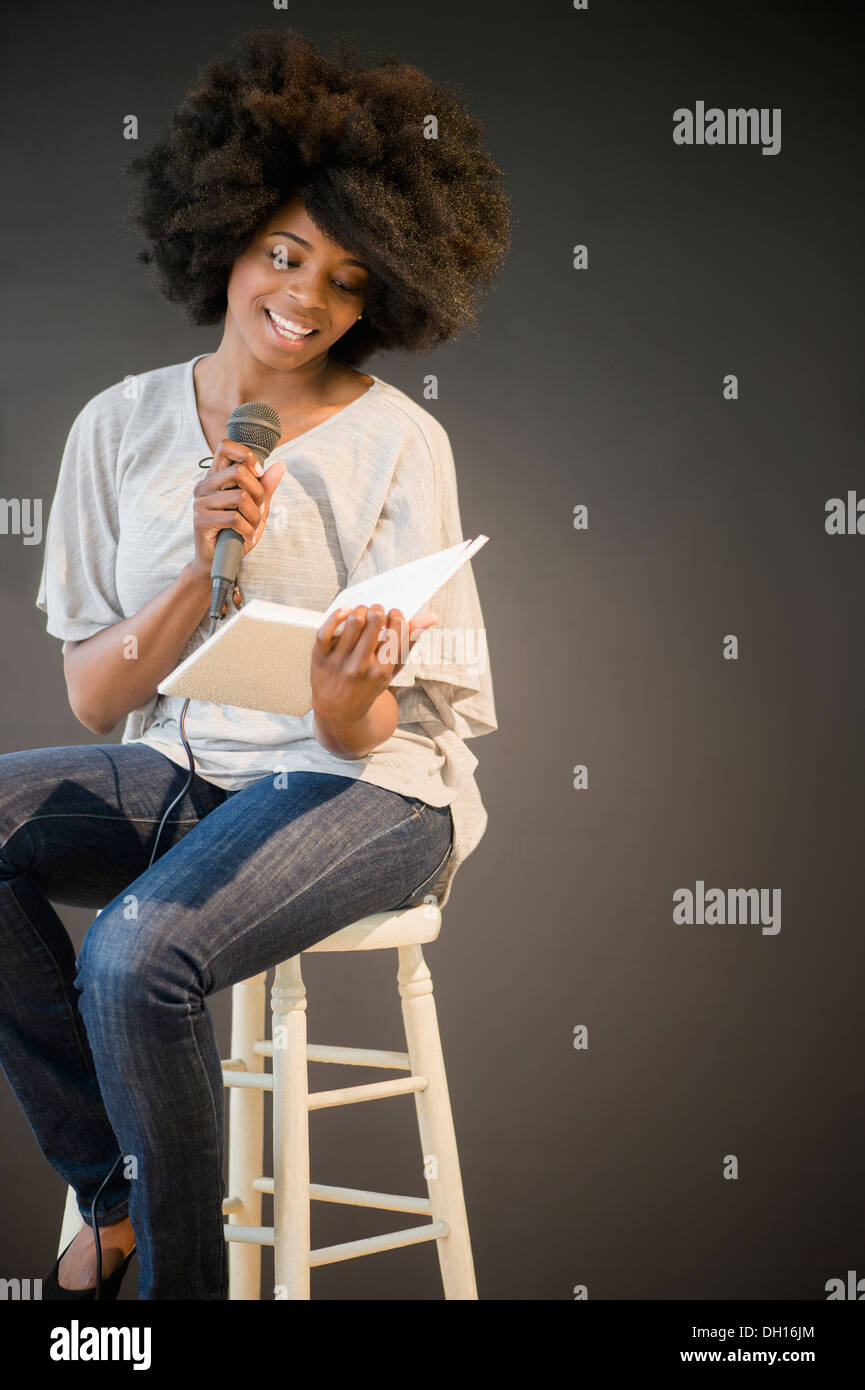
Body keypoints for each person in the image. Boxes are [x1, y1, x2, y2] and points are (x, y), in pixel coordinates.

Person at [0, 27, 509, 1300]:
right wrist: (194, 569)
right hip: (193, 767)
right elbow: (99, 698)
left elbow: (376, 727)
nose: (305, 297)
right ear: (223, 237)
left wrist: (344, 698)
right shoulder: (116, 426)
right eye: (284, 253)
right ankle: (116, 1189)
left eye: (346, 278)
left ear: (383, 294)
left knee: (135, 956)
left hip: (371, 787)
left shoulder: (399, 442)